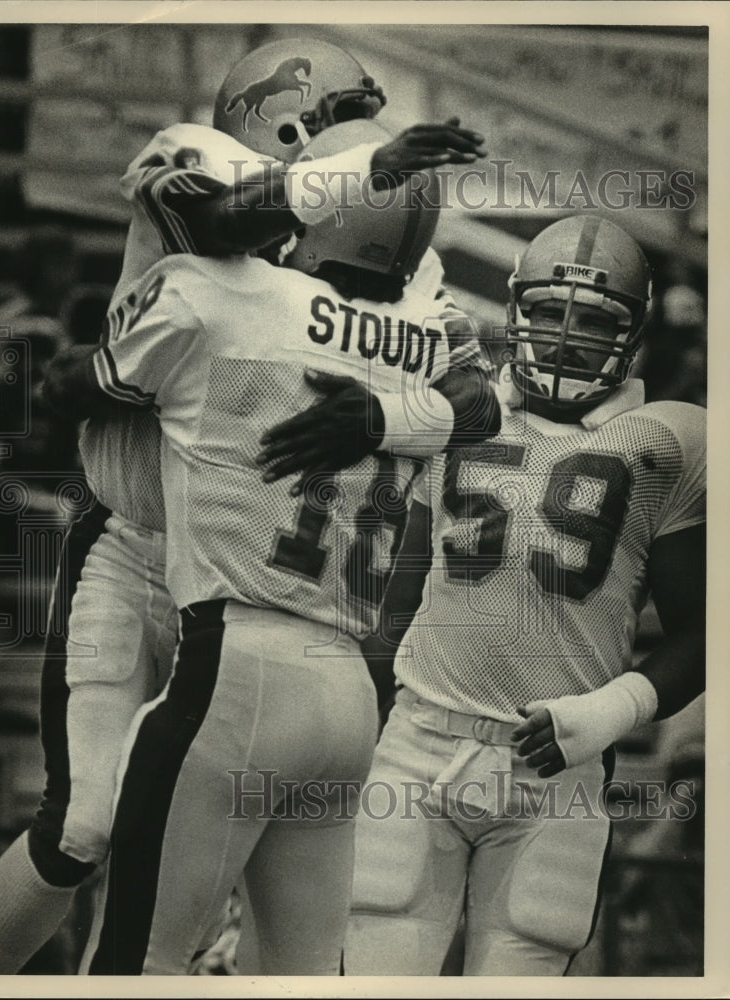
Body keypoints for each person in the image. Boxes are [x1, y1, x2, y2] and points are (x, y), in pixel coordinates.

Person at [0, 36, 487, 975]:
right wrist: (353, 182)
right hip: (138, 540)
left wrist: (378, 417)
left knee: (195, 840)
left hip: (256, 580)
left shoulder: (392, 255)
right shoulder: (213, 173)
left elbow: (472, 402)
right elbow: (220, 217)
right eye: (341, 119)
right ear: (276, 123)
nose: (361, 140)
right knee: (85, 823)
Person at [330, 215, 706, 976]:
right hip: (417, 746)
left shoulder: (670, 442)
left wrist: (609, 711)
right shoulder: (457, 415)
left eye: (593, 321)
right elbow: (392, 611)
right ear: (514, 310)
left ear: (629, 335)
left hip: (553, 771)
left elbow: (705, 633)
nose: (565, 338)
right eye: (546, 313)